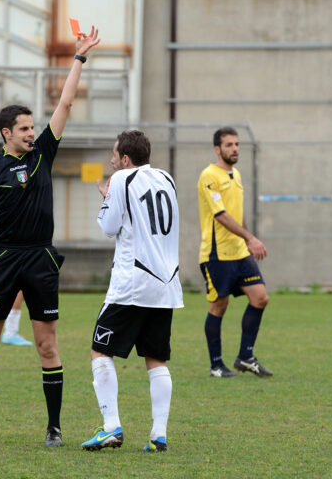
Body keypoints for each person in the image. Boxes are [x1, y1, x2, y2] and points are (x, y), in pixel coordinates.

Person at [0, 27, 101, 447]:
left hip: (40, 261)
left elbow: (66, 102)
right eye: (25, 128)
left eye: (34, 127)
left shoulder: (44, 155)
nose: (33, 133)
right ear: (6, 133)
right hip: (3, 261)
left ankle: (54, 428)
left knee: (47, 347)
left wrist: (79, 59)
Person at [81, 131, 183, 453]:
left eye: (114, 156)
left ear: (125, 158)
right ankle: (158, 435)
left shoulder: (122, 179)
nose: (111, 161)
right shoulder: (166, 178)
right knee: (156, 359)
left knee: (100, 350)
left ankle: (111, 427)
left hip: (132, 285)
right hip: (166, 284)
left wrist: (106, 197)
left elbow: (108, 227)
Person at [197, 127, 273, 379]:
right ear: (217, 149)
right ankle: (216, 365)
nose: (235, 149)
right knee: (219, 306)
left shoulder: (237, 175)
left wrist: (247, 240)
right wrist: (250, 237)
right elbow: (220, 215)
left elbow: (237, 215)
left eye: (237, 144)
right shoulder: (209, 175)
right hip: (217, 254)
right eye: (229, 145)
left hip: (240, 252)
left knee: (260, 298)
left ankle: (245, 357)